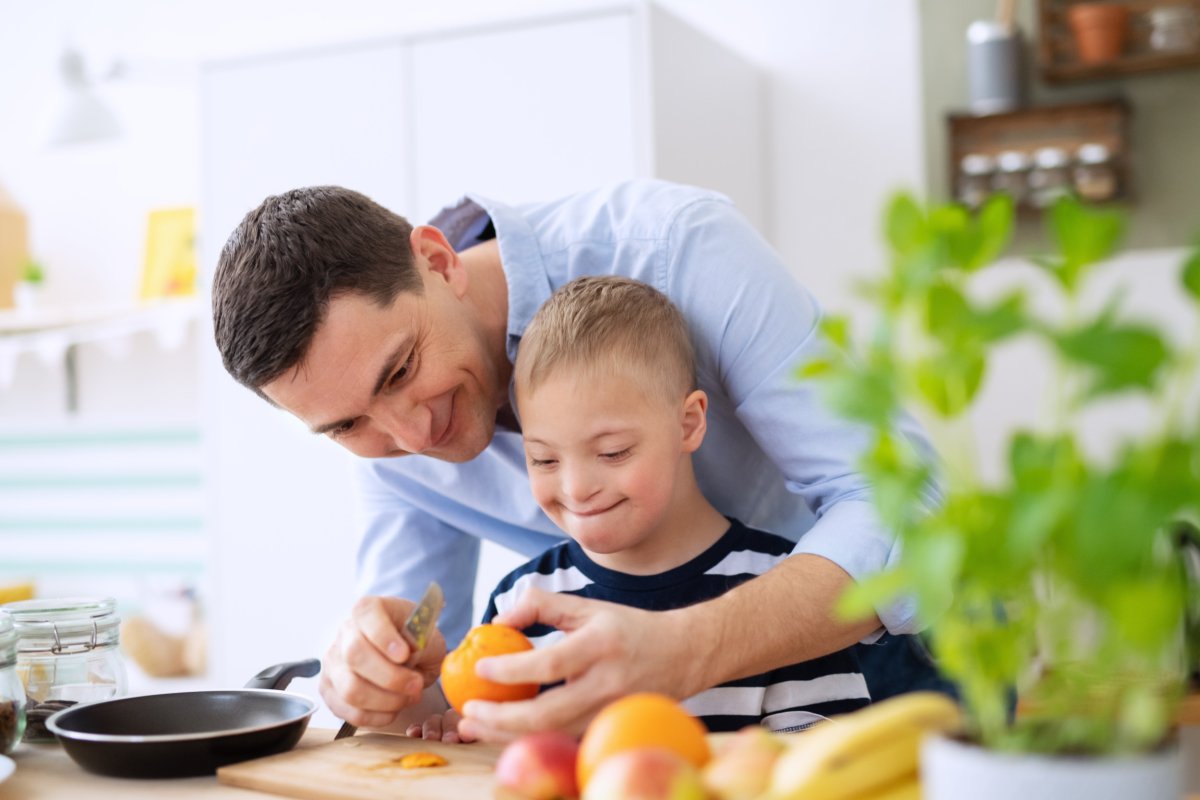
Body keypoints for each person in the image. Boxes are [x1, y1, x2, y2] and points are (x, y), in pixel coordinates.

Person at [211, 179, 946, 742]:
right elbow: (423, 668)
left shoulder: (679, 248)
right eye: (346, 425)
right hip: (634, 723)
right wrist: (368, 675)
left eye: (401, 372)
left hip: (883, 654)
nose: (412, 437)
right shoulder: (382, 414)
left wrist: (688, 645)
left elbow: (909, 508)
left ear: (437, 261)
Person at [409, 276, 872, 742]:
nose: (576, 488)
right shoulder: (519, 607)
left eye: (612, 453)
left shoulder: (786, 596)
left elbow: (830, 768)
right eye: (543, 459)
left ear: (688, 424)